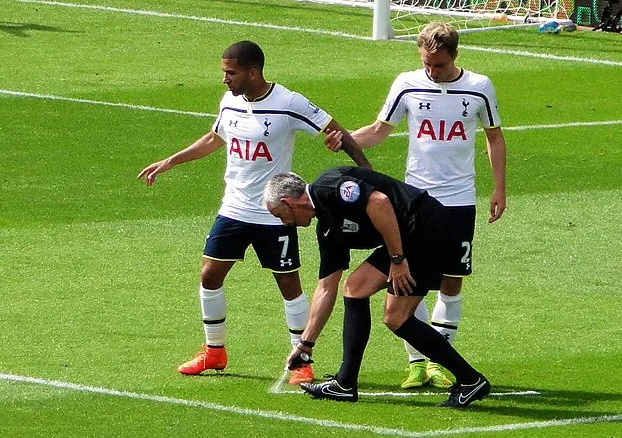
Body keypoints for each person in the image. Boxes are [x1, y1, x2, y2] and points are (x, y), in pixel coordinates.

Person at [137, 40, 369, 384]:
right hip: (233, 207)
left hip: (273, 213)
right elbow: (215, 138)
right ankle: (214, 351)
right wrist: (171, 161)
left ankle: (302, 360)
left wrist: (366, 175)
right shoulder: (229, 102)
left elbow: (337, 131)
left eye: (230, 72)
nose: (224, 79)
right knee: (209, 275)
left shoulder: (288, 103)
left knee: (288, 284)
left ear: (252, 71)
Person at [327, 22, 506, 390]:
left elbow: (494, 137)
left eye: (438, 65)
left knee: (450, 282)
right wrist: (345, 140)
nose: (432, 71)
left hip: (458, 201)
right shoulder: (407, 83)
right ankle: (417, 362)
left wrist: (498, 188)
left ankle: (442, 360)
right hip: (415, 204)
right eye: (426, 63)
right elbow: (379, 130)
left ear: (454, 56)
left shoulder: (478, 88)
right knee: (406, 277)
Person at [263, 167, 490, 409]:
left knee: (396, 317)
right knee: (354, 288)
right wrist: (305, 344)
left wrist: (397, 259)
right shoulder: (328, 229)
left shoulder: (328, 187)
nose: (285, 223)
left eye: (281, 215)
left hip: (426, 229)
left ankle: (470, 380)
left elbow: (379, 202)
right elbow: (326, 288)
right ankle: (345, 384)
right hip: (409, 238)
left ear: (289, 202)